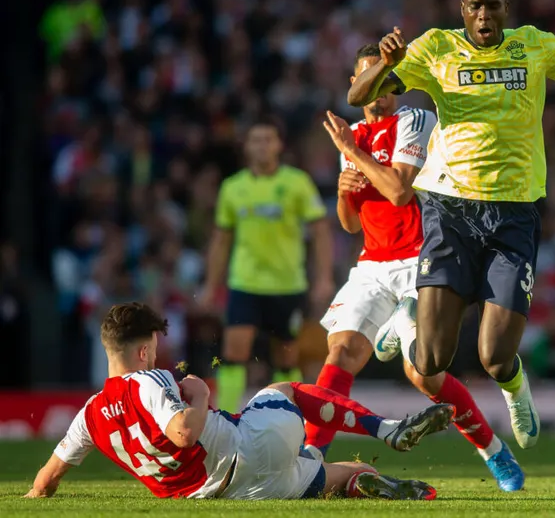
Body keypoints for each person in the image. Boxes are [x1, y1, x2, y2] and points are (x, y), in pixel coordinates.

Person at [348, 0, 555, 449]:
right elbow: (358, 96)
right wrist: (383, 65)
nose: (484, 14)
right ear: (462, 10)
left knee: (496, 358)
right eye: (475, 5)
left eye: (493, 6)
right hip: (449, 209)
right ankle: (402, 319)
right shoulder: (435, 48)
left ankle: (516, 391)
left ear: (506, 9)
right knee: (431, 359)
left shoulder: (533, 45)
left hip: (514, 212)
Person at [310, 43, 524, 491]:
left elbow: (401, 192)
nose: (380, 93)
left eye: (389, 83)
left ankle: (493, 451)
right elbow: (350, 224)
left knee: (422, 373)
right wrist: (343, 189)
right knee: (340, 352)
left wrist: (357, 156)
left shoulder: (414, 120)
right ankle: (311, 459)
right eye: (370, 82)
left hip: (420, 258)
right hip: (373, 263)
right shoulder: (351, 134)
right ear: (355, 86)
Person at [24, 302, 452, 501]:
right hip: (247, 447)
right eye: (153, 348)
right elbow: (185, 433)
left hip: (229, 494)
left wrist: (32, 499)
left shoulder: (88, 416)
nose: (156, 356)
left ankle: (358, 480)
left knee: (351, 472)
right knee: (285, 390)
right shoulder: (147, 379)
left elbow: (45, 482)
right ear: (141, 353)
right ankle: (389, 430)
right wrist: (202, 393)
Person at [199, 117, 334, 412]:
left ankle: (288, 415)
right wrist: (211, 285)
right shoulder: (233, 188)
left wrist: (323, 277)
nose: (262, 146)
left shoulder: (297, 183)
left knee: (287, 357)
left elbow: (321, 231)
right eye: (256, 140)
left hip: (288, 284)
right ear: (247, 147)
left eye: (268, 139)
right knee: (234, 351)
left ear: (279, 145)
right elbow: (221, 240)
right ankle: (227, 417)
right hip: (245, 282)